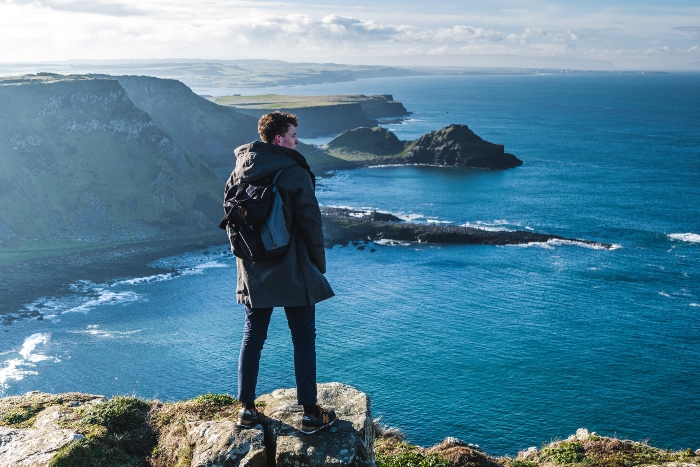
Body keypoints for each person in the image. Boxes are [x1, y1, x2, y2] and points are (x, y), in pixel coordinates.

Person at [230, 111, 336, 434]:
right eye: (292, 135)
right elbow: (311, 224)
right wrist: (319, 264)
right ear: (279, 139)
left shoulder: (239, 170)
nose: (297, 141)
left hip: (253, 268)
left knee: (253, 336)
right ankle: (309, 414)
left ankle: (246, 410)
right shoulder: (294, 171)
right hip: (292, 269)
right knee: (303, 338)